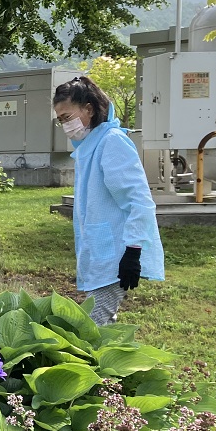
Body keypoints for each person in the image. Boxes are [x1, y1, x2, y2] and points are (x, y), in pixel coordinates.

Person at [52, 75, 164, 325]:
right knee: (100, 323)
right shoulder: (88, 146)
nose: (65, 125)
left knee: (94, 325)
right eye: (61, 120)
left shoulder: (111, 142)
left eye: (67, 117)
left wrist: (133, 251)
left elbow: (139, 200)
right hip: (101, 251)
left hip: (116, 253)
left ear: (88, 109)